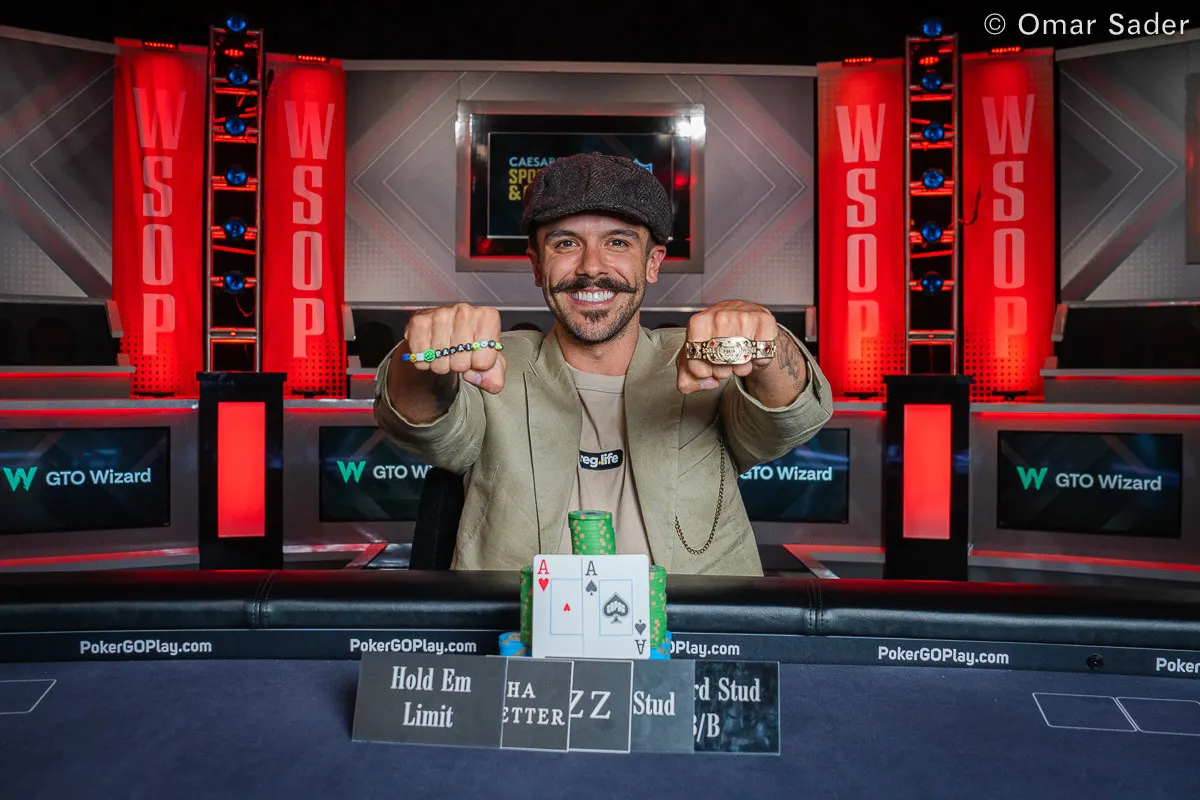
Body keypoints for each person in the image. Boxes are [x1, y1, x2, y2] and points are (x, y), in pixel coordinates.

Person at [374, 153, 832, 575]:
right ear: (536, 266)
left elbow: (793, 417)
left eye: (617, 242)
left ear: (653, 262)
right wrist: (421, 352)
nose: (591, 267)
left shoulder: (705, 359)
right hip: (521, 630)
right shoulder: (492, 364)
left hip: (695, 631)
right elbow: (416, 422)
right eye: (566, 243)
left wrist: (763, 341)